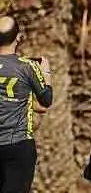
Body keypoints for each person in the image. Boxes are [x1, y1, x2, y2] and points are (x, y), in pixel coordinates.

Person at [0, 16, 54, 193]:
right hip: (18, 144)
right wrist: (46, 74)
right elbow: (46, 100)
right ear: (18, 37)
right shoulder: (27, 67)